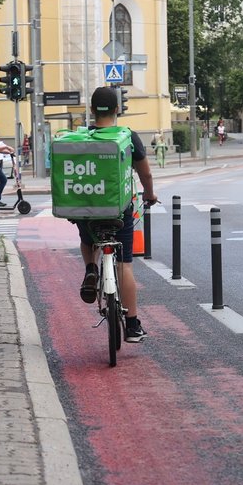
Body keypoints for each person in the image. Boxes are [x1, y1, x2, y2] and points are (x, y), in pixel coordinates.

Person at [76, 86, 157, 343]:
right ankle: (132, 325)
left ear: (91, 110)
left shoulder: (82, 138)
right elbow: (145, 174)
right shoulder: (128, 137)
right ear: (117, 110)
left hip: (87, 211)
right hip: (119, 212)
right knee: (124, 265)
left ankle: (91, 268)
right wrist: (149, 194)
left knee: (89, 240)